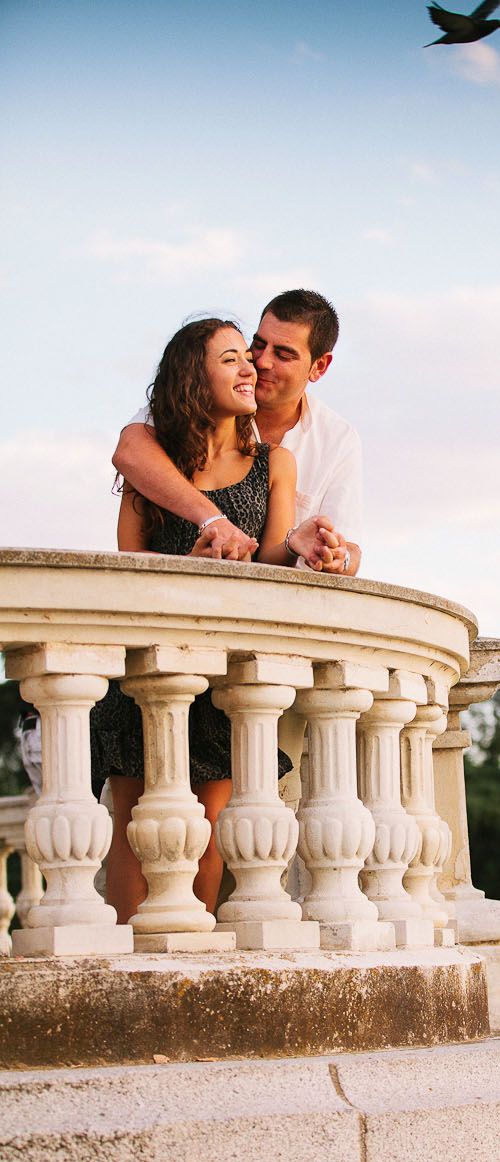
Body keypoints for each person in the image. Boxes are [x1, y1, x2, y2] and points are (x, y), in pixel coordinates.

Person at [93, 317, 301, 924]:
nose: (250, 368)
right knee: (136, 822)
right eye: (231, 359)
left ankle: (192, 951)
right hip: (150, 666)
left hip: (222, 668)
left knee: (205, 828)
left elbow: (269, 558)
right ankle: (129, 972)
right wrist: (189, 560)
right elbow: (130, 567)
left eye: (249, 358)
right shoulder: (150, 461)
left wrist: (306, 543)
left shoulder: (274, 463)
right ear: (192, 377)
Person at [112, 290, 362, 575]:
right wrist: (209, 527)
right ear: (194, 378)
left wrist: (325, 552)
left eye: (283, 355)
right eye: (257, 345)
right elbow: (130, 453)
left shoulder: (333, 442)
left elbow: (345, 550)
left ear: (319, 366)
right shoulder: (169, 428)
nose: (259, 364)